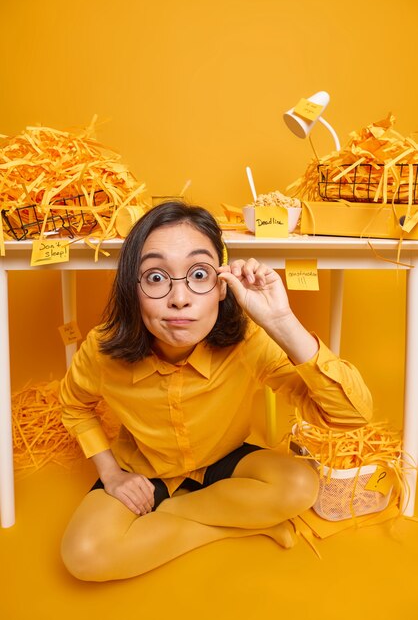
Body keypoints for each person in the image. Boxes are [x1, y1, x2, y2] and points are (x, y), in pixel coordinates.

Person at [59, 200, 373, 582]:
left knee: (299, 485)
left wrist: (282, 322)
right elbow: (75, 407)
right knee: (84, 556)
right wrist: (111, 474)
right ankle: (243, 524)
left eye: (199, 274)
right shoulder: (102, 349)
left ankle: (163, 521)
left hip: (225, 459)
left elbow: (350, 415)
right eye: (156, 277)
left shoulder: (250, 341)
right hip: (144, 467)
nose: (179, 298)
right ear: (132, 288)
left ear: (222, 286)